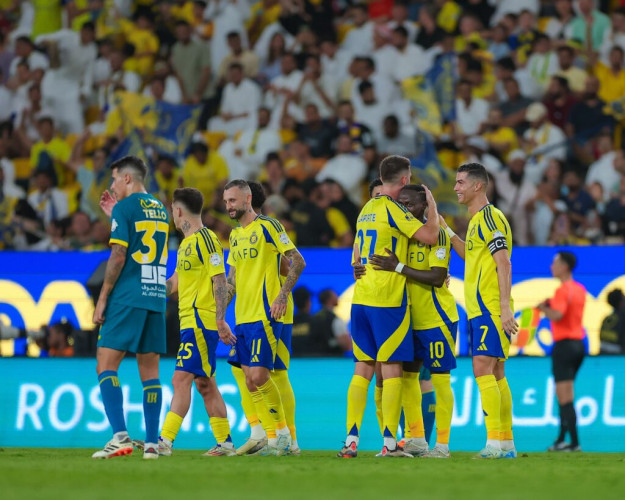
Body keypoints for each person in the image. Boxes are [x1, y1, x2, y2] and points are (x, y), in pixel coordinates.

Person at [337, 155, 439, 459]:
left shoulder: (366, 208)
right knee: (392, 369)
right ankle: (390, 443)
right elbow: (431, 236)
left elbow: (356, 255)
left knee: (363, 368)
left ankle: (351, 439)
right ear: (405, 180)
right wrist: (432, 205)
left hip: (361, 299)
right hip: (388, 300)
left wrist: (358, 266)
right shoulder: (395, 209)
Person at [368, 185, 459, 458]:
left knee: (441, 381)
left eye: (409, 204)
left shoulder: (437, 234)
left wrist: (397, 267)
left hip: (436, 319)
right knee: (408, 379)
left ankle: (442, 445)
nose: (404, 209)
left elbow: (437, 277)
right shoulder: (402, 234)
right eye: (401, 204)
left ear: (423, 206)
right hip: (408, 318)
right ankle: (417, 438)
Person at [92, 156, 170, 460]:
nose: (112, 185)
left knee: (105, 363)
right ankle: (151, 444)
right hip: (155, 295)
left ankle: (120, 437)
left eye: (114, 179)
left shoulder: (125, 208)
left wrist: (103, 297)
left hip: (127, 295)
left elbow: (119, 255)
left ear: (127, 178)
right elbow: (141, 237)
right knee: (150, 372)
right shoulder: (160, 208)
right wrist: (115, 213)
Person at [150, 187, 237, 456]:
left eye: (172, 210)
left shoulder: (206, 239)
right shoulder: (186, 244)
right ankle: (225, 443)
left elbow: (219, 279)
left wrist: (220, 319)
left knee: (180, 379)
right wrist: (151, 291)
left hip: (201, 320)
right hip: (189, 321)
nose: (172, 216)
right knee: (205, 384)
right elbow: (176, 281)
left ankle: (164, 441)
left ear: (178, 210)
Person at [441, 162, 518, 459]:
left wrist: (504, 308)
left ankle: (494, 444)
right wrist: (446, 230)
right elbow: (469, 255)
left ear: (478, 186)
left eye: (460, 182)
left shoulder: (490, 218)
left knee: (482, 368)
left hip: (490, 307)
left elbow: (504, 262)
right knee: (496, 372)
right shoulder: (476, 221)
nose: (455, 188)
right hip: (481, 308)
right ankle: (506, 443)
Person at [223, 179, 306, 455]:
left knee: (269, 374)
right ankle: (269, 436)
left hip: (267, 313)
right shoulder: (235, 235)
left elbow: (296, 261)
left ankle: (284, 437)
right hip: (243, 316)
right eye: (226, 201)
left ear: (248, 199)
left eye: (232, 200)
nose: (228, 206)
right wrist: (219, 315)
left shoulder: (269, 226)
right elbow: (232, 281)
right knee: (248, 377)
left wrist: (281, 295)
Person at [537, 251, 586, 452]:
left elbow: (557, 315)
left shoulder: (562, 290)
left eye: (555, 263)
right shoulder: (580, 289)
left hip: (564, 346)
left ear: (564, 266)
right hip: (579, 345)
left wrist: (543, 308)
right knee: (567, 396)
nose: (552, 266)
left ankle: (573, 443)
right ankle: (561, 440)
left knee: (564, 397)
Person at [600, 289, 625, 354]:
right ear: (620, 302)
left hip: (603, 355)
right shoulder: (622, 319)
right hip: (618, 357)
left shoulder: (607, 319)